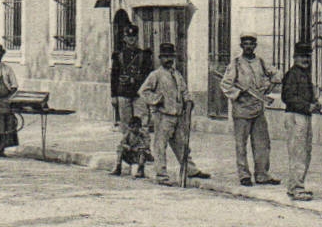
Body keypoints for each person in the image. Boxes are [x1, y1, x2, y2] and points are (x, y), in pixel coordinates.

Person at [138, 42, 210, 185]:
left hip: (178, 116)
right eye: (165, 57)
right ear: (160, 58)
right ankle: (161, 175)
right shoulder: (156, 75)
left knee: (182, 145)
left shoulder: (177, 74)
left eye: (171, 56)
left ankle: (190, 170)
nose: (168, 60)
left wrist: (188, 101)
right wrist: (157, 100)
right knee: (160, 146)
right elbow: (143, 91)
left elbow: (184, 91)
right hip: (163, 116)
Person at [221, 34, 281, 186]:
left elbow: (277, 75)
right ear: (241, 46)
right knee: (241, 144)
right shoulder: (235, 64)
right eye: (245, 44)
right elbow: (226, 85)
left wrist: (267, 86)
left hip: (258, 109)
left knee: (262, 143)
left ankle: (262, 175)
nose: (248, 46)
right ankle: (244, 175)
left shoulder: (261, 62)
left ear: (255, 45)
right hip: (241, 110)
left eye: (251, 44)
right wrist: (239, 93)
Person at [280, 41, 321, 200]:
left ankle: (295, 186)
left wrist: (315, 103)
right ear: (294, 57)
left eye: (308, 57)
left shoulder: (304, 74)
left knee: (304, 152)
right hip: (296, 117)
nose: (306, 60)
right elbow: (288, 97)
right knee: (298, 153)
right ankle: (297, 188)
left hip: (303, 116)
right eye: (302, 56)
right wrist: (307, 106)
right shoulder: (292, 74)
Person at [110, 32, 151, 130]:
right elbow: (114, 76)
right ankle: (127, 144)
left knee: (142, 123)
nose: (131, 39)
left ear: (137, 38)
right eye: (129, 36)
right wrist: (113, 95)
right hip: (123, 93)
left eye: (133, 36)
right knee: (125, 125)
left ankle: (142, 144)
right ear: (124, 38)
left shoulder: (143, 55)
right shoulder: (118, 55)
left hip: (139, 93)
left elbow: (148, 75)